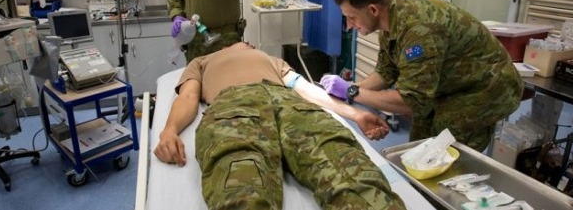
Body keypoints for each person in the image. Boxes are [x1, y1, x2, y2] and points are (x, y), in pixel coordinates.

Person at [154, 42, 406, 210]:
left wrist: (355, 114)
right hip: (235, 102)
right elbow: (187, 97)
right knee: (242, 187)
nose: (249, 44)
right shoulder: (202, 60)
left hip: (289, 102)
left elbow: (305, 88)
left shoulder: (269, 58)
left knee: (344, 164)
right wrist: (169, 130)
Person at [320, 0, 523, 152]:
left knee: (445, 148)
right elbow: (385, 72)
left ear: (373, 10)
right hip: (451, 84)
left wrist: (352, 92)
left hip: (487, 87)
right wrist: (348, 90)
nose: (348, 25)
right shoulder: (390, 24)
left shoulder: (419, 30)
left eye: (351, 17)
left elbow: (412, 101)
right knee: (418, 142)